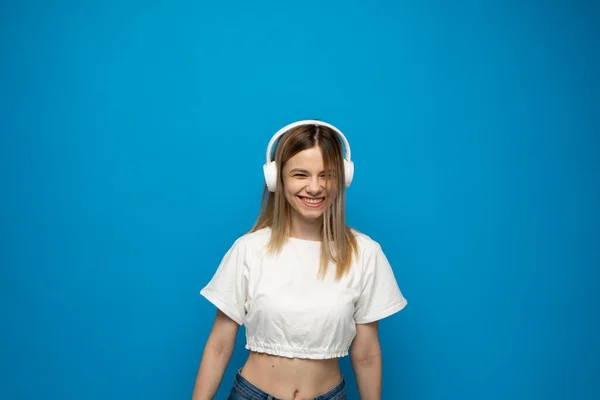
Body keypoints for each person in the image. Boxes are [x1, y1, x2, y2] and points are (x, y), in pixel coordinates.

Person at [191, 120, 408, 400]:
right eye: (300, 174)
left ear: (343, 178)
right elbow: (219, 345)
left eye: (326, 174)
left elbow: (366, 353)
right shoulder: (249, 249)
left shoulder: (365, 253)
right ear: (276, 178)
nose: (315, 188)